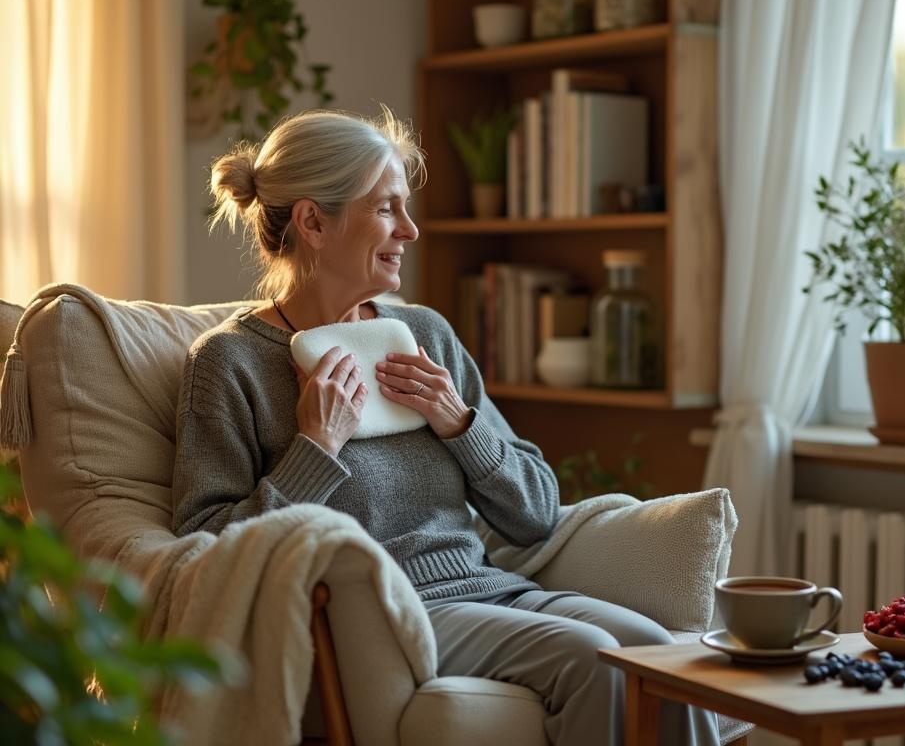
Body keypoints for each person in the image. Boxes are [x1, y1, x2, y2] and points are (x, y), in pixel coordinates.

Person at [171, 108, 719, 746]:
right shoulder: (228, 362)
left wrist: (459, 424)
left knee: (662, 658)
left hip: (491, 588)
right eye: (386, 209)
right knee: (593, 657)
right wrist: (314, 449)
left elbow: (537, 514)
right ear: (314, 221)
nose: (410, 229)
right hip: (388, 618)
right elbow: (203, 554)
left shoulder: (424, 335)